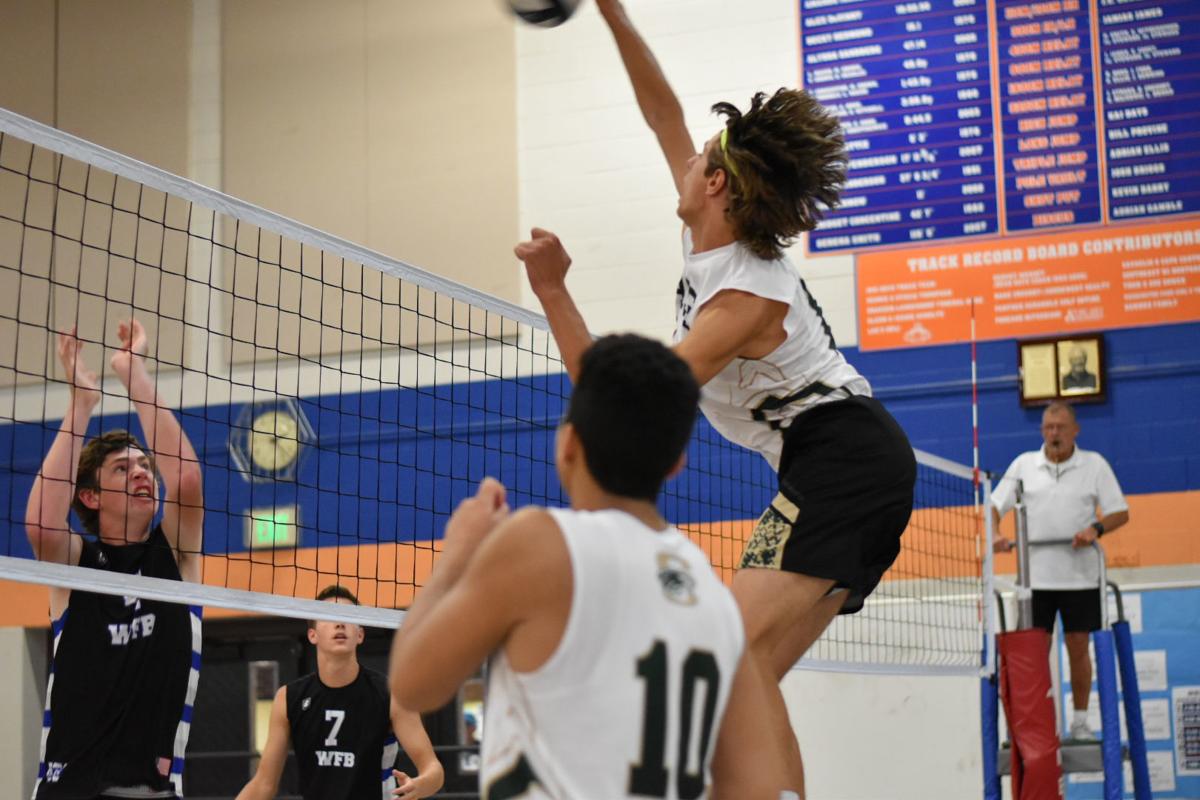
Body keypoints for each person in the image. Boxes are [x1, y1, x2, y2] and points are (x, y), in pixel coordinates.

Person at [511, 1, 916, 794]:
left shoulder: (744, 298)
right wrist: (611, 11)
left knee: (735, 654)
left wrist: (555, 291)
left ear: (718, 184)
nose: (686, 159)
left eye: (697, 158)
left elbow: (619, 405)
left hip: (843, 459)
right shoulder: (713, 243)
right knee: (746, 665)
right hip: (841, 466)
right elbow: (660, 109)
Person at [389, 335, 784, 799]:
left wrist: (458, 552)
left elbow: (413, 685)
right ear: (677, 463)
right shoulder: (716, 596)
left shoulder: (540, 544)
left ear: (568, 443)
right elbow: (756, 787)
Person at [25, 320, 204, 798]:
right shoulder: (75, 561)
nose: (142, 473)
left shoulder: (176, 553)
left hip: (152, 789)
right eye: (122, 469)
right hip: (70, 788)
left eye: (145, 465)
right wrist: (81, 404)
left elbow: (185, 480)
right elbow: (41, 525)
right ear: (89, 496)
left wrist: (134, 372)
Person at [992, 401, 1130, 740]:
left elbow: (1120, 512)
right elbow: (994, 505)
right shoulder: (1024, 465)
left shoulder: (1094, 464)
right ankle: (1031, 723)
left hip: (1081, 579)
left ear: (1075, 431)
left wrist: (1095, 529)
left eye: (1061, 428)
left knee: (1078, 647)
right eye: (1048, 428)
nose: (1054, 434)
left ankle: (1080, 721)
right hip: (1034, 581)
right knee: (1032, 653)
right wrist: (996, 534)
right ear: (1042, 431)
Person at [236, 585, 443, 800]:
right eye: (329, 616)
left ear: (360, 634)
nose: (340, 623)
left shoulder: (391, 694)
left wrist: (420, 785)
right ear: (312, 634)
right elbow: (263, 784)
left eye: (348, 616)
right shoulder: (288, 698)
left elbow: (434, 770)